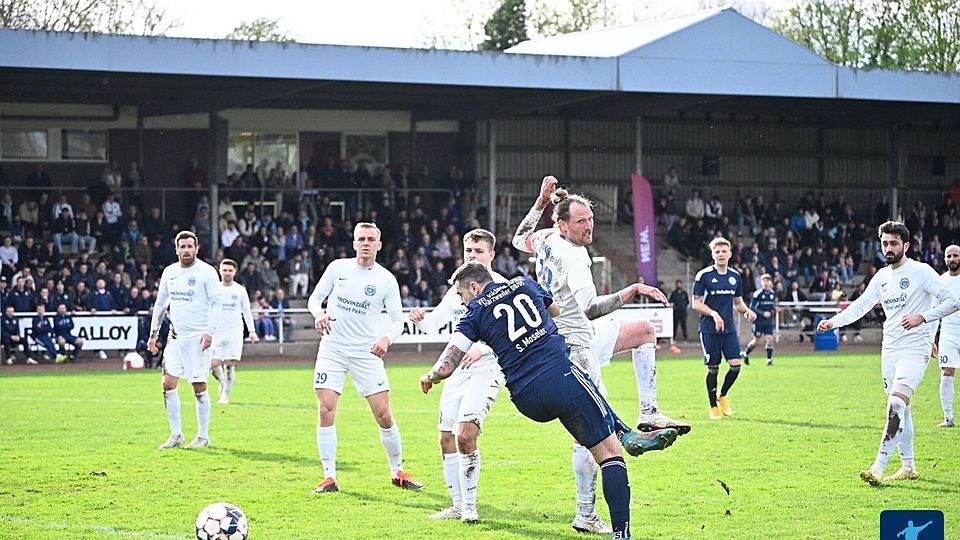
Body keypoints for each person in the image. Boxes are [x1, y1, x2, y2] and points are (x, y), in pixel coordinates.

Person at [420, 262, 678, 540]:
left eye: (461, 295)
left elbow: (447, 365)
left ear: (474, 287)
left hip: (526, 397)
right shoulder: (524, 283)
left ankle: (625, 433)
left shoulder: (474, 312)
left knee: (583, 392)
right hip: (559, 377)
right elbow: (555, 311)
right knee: (609, 452)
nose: (462, 301)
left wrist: (429, 377)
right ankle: (622, 530)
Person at [512, 175, 686, 535]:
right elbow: (591, 308)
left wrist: (541, 201)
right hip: (574, 346)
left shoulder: (546, 238)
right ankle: (586, 513)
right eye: (581, 221)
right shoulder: (576, 258)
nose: (588, 226)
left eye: (590, 219)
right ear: (563, 224)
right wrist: (631, 290)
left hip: (581, 334)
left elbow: (518, 238)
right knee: (590, 434)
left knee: (644, 331)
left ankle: (649, 412)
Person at [817, 221, 960, 485]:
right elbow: (861, 305)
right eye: (884, 243)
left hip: (915, 348)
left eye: (894, 243)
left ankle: (878, 467)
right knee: (902, 408)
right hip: (890, 349)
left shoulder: (922, 271)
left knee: (895, 404)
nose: (888, 248)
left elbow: (953, 301)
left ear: (906, 245)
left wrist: (923, 318)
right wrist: (833, 322)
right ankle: (908, 467)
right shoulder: (882, 276)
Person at [308, 222, 422, 494]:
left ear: (379, 245)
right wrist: (319, 314)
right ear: (354, 243)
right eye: (361, 239)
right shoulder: (337, 268)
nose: (366, 243)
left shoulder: (386, 280)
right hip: (333, 348)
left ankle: (397, 471)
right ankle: (329, 477)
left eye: (371, 239)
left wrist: (386, 339)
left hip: (366, 352)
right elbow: (314, 299)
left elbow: (397, 321)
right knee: (325, 409)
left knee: (383, 414)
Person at [408, 229, 507, 523]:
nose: (472, 256)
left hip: (486, 368)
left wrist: (483, 349)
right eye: (468, 251)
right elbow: (436, 325)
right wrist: (420, 320)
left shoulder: (502, 286)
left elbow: (509, 333)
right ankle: (457, 504)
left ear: (491, 255)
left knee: (465, 434)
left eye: (478, 251)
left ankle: (470, 507)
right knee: (445, 438)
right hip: (455, 371)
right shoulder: (457, 288)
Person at [149, 231, 223, 450]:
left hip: (197, 339)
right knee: (167, 384)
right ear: (176, 249)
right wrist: (153, 335)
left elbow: (216, 303)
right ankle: (176, 435)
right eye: (182, 246)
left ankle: (203, 436)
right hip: (175, 338)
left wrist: (209, 332)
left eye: (190, 246)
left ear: (196, 249)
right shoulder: (169, 272)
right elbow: (161, 304)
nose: (186, 250)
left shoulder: (207, 272)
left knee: (198, 387)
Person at [692, 237, 757, 419]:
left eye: (724, 251)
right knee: (713, 368)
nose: (721, 254)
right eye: (717, 252)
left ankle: (723, 395)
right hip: (709, 329)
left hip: (729, 329)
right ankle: (713, 406)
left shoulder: (735, 276)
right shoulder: (703, 276)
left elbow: (738, 302)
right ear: (713, 255)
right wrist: (714, 314)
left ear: (730, 254)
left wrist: (747, 311)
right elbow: (696, 303)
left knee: (736, 366)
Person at [210, 259, 258, 405]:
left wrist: (252, 331)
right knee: (213, 364)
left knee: (230, 364)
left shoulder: (240, 290)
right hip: (216, 331)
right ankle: (222, 383)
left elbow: (246, 311)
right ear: (220, 271)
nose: (227, 273)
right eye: (224, 270)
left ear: (235, 272)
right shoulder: (213, 289)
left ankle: (225, 395)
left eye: (230, 270)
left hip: (234, 331)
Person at [937, 244, 960, 428]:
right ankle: (948, 417)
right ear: (945, 259)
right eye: (949, 256)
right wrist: (931, 338)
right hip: (948, 331)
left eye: (956, 255)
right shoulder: (940, 281)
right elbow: (933, 310)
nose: (952, 259)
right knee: (947, 372)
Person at [743, 274, 778, 366]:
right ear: (761, 282)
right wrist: (763, 313)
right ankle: (746, 354)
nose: (766, 283)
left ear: (771, 282)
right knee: (756, 341)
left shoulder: (772, 294)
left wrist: (774, 310)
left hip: (768, 321)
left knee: (770, 339)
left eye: (768, 281)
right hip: (758, 321)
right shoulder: (757, 294)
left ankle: (769, 359)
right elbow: (752, 307)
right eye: (764, 281)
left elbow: (772, 306)